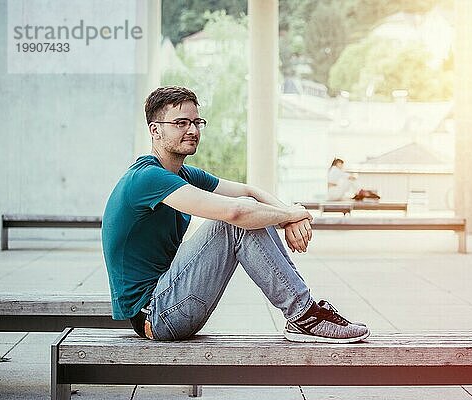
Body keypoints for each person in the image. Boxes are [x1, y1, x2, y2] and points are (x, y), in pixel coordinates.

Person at [101, 86, 369, 343]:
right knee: (234, 221)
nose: (192, 130)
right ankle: (304, 314)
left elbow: (249, 192)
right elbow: (237, 211)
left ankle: (304, 313)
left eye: (197, 122)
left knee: (245, 212)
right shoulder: (146, 178)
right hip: (156, 315)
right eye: (181, 123)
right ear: (155, 130)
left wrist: (290, 218)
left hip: (171, 302)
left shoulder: (183, 175)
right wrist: (289, 212)